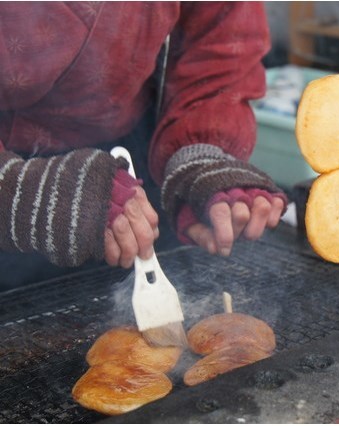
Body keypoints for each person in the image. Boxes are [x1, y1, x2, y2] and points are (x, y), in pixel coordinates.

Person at [0, 2, 286, 290]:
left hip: (130, 167)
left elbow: (222, 29)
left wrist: (202, 148)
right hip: (13, 168)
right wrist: (10, 187)